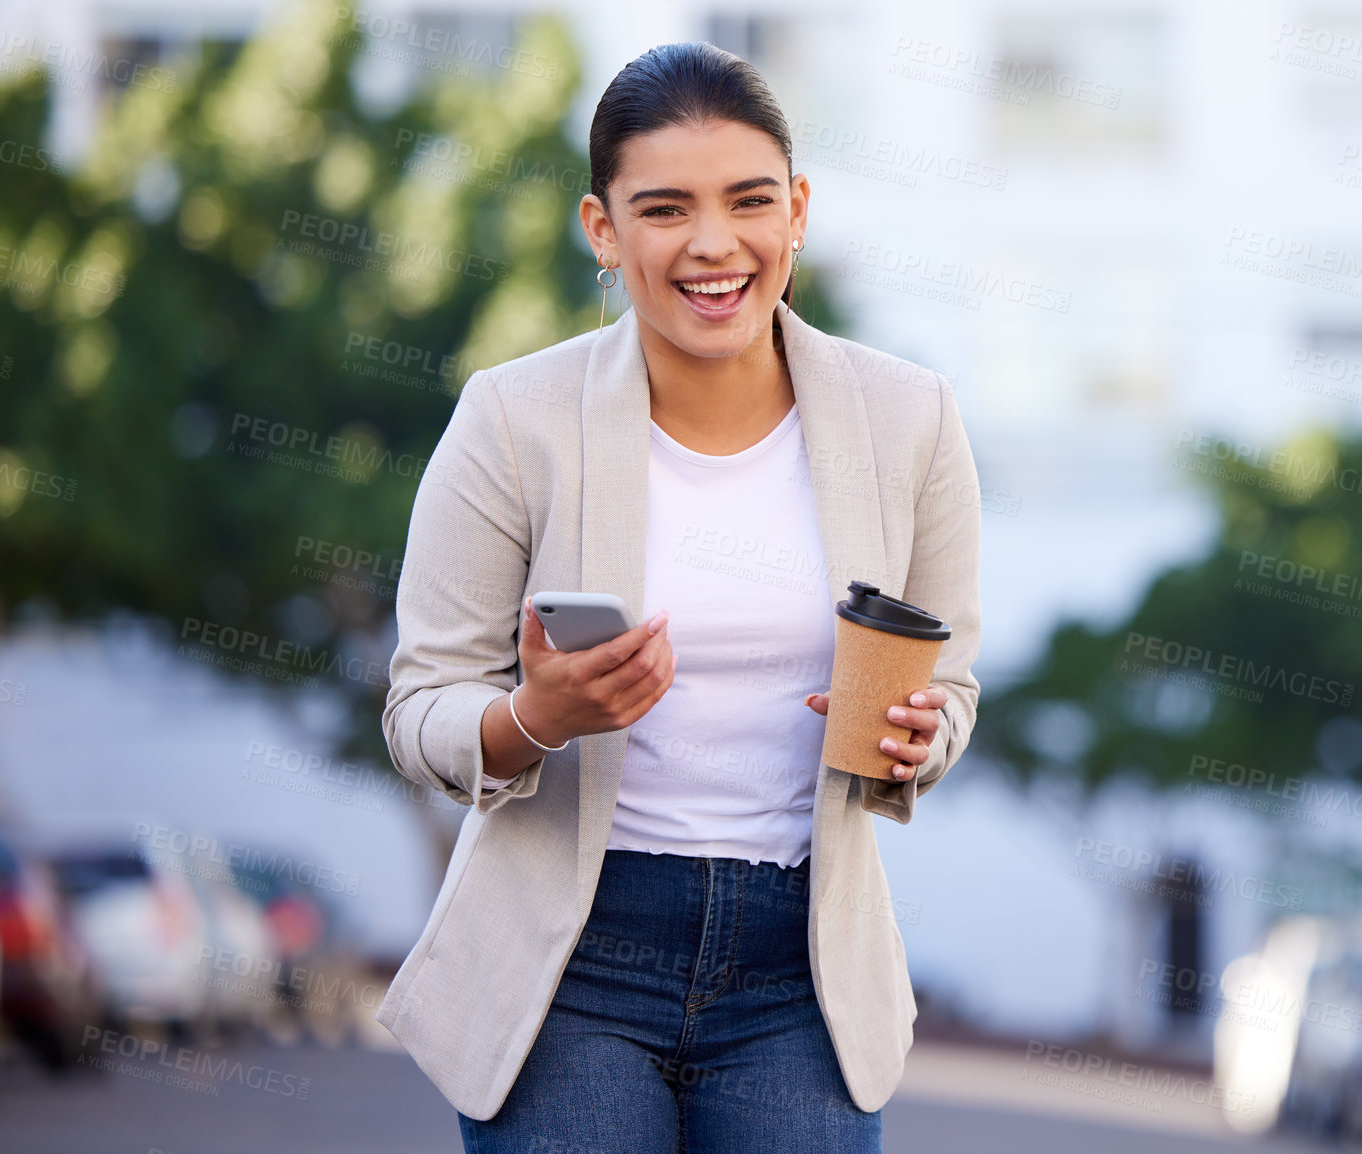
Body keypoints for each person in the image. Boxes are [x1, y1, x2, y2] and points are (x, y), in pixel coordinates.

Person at [375, 41, 983, 1154]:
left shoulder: (910, 419)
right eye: (664, 209)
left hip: (801, 967)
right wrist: (534, 717)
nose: (714, 244)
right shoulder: (514, 419)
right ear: (602, 230)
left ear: (796, 211)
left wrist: (917, 736)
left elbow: (949, 684)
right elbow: (420, 709)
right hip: (572, 960)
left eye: (750, 201)